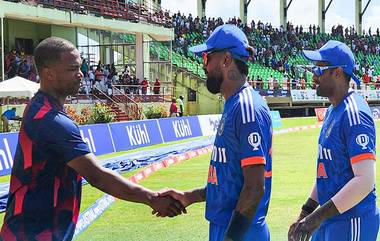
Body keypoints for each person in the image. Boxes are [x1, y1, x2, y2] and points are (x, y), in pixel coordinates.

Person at [0, 37, 186, 240]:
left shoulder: (41, 108)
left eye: (80, 67)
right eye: (72, 69)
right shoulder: (51, 120)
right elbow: (97, 176)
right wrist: (152, 198)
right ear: (49, 73)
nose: (80, 75)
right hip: (32, 233)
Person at [157, 24, 273, 241]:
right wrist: (189, 197)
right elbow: (229, 182)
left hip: (242, 233)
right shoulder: (234, 105)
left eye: (206, 58)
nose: (204, 66)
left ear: (226, 60)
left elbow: (255, 187)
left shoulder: (246, 109)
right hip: (228, 227)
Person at [288, 40, 379, 241]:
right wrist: (307, 212)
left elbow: (364, 181)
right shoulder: (332, 110)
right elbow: (327, 172)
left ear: (337, 73)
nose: (313, 75)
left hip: (353, 220)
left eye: (319, 69)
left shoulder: (355, 114)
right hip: (330, 218)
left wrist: (314, 218)